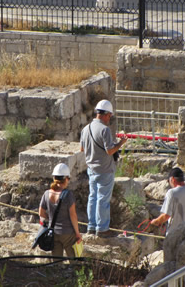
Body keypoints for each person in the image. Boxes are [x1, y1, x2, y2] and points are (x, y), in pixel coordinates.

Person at [80, 99, 128, 238]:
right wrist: (121, 143)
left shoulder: (85, 129)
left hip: (91, 169)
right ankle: (102, 229)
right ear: (106, 114)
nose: (109, 119)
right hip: (105, 170)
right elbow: (110, 151)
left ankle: (91, 226)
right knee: (103, 200)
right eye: (109, 116)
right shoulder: (105, 130)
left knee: (93, 198)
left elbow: (82, 148)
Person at [38, 163, 82, 259]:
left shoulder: (46, 194)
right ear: (66, 179)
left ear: (54, 178)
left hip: (53, 233)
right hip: (68, 234)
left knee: (56, 263)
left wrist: (50, 221)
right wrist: (78, 234)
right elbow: (73, 216)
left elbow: (41, 213)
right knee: (74, 262)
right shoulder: (68, 195)